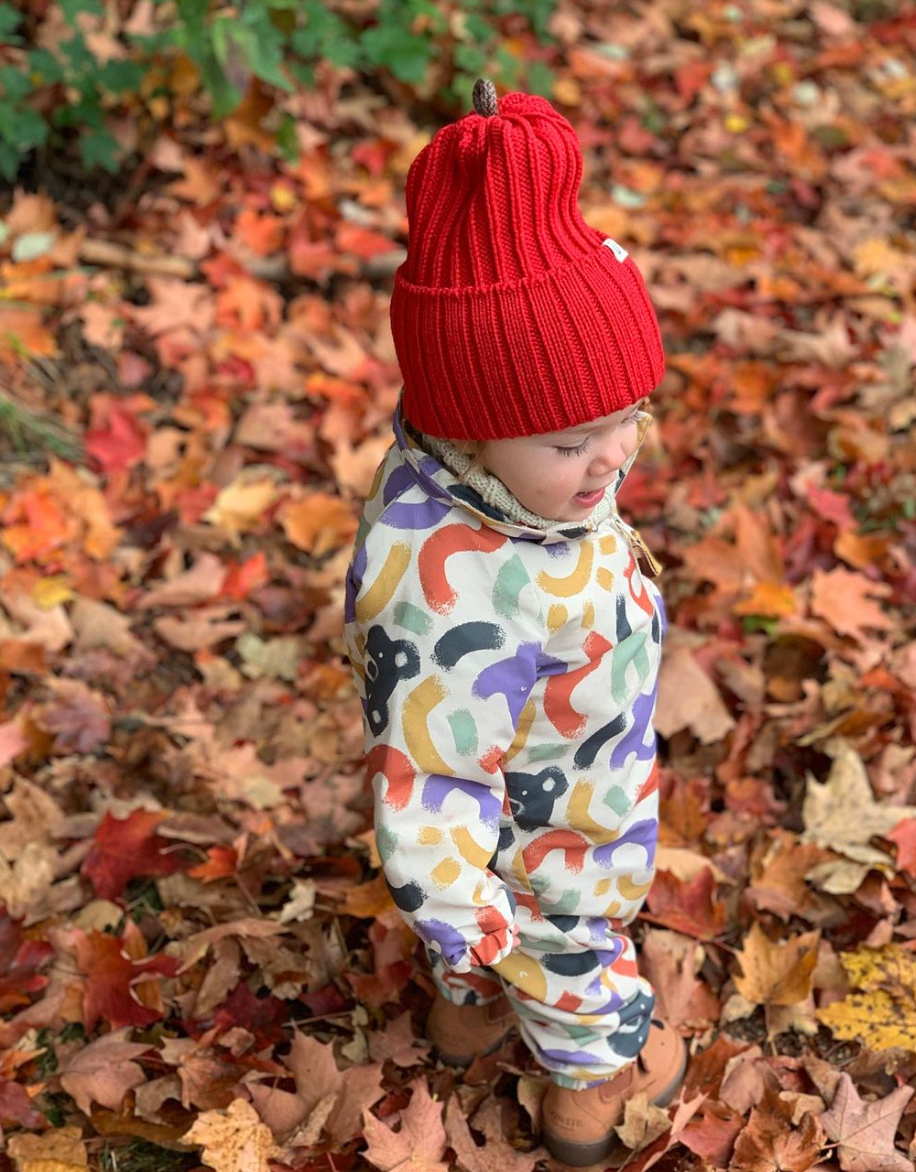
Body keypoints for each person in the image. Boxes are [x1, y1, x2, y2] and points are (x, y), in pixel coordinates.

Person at [343, 78, 686, 1167]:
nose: (614, 456)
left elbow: (576, 447)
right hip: (553, 821)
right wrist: (466, 910)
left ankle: (468, 1010)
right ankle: (589, 1084)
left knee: (502, 924)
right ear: (473, 428)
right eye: (574, 438)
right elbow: (429, 772)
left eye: (628, 415)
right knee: (567, 926)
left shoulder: (516, 483)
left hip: (564, 734)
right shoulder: (454, 587)